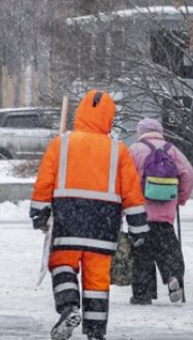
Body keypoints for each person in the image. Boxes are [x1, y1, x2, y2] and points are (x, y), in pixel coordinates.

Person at [30, 90, 147, 340]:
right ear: (109, 118)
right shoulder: (118, 150)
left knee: (62, 265)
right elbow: (132, 192)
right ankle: (95, 332)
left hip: (67, 222)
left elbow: (44, 181)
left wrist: (39, 211)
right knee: (97, 280)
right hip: (103, 226)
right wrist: (138, 227)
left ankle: (69, 306)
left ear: (81, 112)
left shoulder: (61, 144)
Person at [128, 118, 193, 305]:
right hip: (165, 212)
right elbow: (188, 173)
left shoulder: (134, 150)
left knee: (142, 253)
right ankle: (173, 276)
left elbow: (124, 178)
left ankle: (142, 294)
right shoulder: (171, 149)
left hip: (141, 212)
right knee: (168, 248)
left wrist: (125, 205)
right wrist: (180, 198)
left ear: (141, 132)